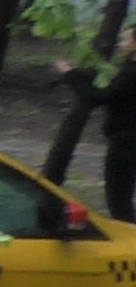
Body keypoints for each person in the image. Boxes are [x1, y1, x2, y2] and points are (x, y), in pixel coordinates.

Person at [56, 25, 136, 221]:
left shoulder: (131, 74)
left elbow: (99, 97)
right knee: (122, 196)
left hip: (125, 143)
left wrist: (69, 74)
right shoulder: (127, 70)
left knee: (118, 199)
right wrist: (78, 73)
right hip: (127, 141)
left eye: (127, 40)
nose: (122, 44)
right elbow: (107, 85)